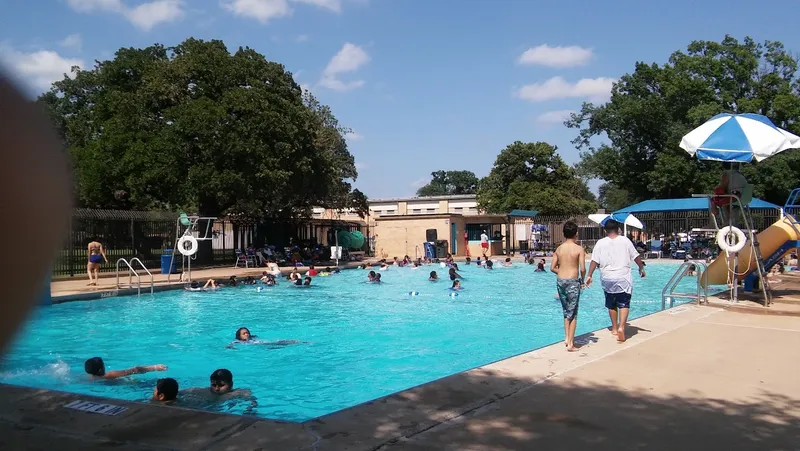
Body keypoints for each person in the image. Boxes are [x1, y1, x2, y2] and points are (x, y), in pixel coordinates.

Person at [586, 220, 646, 343]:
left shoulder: (600, 243)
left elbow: (594, 261)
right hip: (623, 277)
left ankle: (614, 328)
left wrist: (589, 275)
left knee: (611, 303)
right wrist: (641, 268)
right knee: (624, 303)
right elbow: (636, 256)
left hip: (607, 278)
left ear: (605, 230)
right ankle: (621, 327)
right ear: (618, 229)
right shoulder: (625, 241)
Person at [550, 221, 586, 352]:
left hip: (560, 281)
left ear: (564, 234)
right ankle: (571, 344)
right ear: (576, 233)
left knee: (566, 310)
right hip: (572, 281)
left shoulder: (559, 249)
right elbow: (582, 268)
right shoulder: (579, 249)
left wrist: (562, 271)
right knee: (574, 312)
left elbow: (552, 268)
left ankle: (566, 338)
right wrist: (582, 279)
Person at [84, 357, 167, 380]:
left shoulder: (88, 378)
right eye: (103, 365)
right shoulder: (110, 374)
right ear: (100, 370)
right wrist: (155, 367)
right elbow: (135, 370)